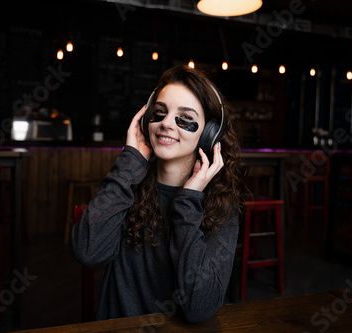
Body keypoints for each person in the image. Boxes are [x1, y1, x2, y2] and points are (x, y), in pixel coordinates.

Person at [71, 65, 245, 323]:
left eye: (184, 117)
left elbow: (200, 307)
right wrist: (130, 163)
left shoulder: (221, 207)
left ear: (209, 134)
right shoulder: (128, 184)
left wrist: (188, 203)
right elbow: (88, 251)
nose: (165, 123)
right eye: (160, 113)